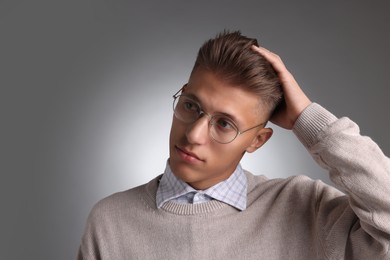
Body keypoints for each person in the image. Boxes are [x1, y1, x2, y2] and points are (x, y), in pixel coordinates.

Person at [77, 31, 390, 259]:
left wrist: (308, 120)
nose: (194, 134)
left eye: (224, 123)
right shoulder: (110, 221)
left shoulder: (306, 208)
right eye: (190, 106)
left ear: (257, 140)